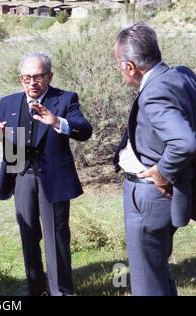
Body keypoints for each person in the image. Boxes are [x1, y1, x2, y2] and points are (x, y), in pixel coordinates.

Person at [0, 52, 92, 296]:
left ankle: (61, 291)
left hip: (52, 179)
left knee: (56, 236)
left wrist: (57, 121)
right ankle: (36, 290)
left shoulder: (65, 99)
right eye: (26, 77)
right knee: (28, 235)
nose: (32, 82)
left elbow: (84, 130)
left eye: (38, 77)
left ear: (49, 76)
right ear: (20, 78)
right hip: (21, 177)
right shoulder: (8, 102)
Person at [113, 22, 196, 296]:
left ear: (129, 66)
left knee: (146, 280)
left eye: (118, 63)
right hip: (163, 195)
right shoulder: (181, 75)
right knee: (156, 271)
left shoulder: (154, 93)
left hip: (150, 195)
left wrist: (162, 170)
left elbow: (184, 142)